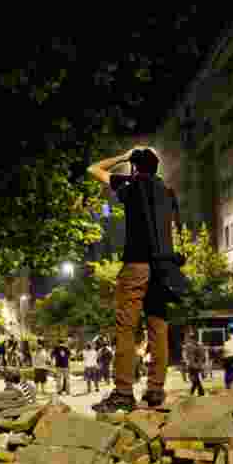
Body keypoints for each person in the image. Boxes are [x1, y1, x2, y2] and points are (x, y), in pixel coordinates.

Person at [88, 147, 179, 413]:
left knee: (126, 329)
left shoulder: (131, 185)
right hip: (163, 269)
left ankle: (123, 393)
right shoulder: (167, 192)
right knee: (158, 328)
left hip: (137, 265)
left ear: (135, 167)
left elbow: (94, 169)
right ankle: (155, 390)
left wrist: (123, 157)